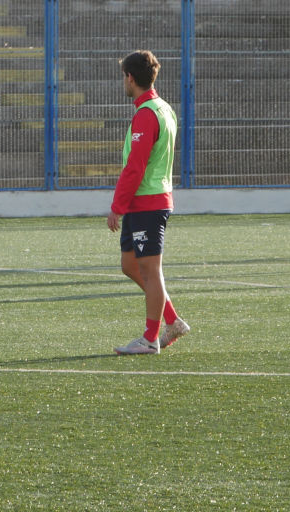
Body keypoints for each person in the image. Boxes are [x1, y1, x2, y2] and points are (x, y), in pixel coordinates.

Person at [108, 50, 188, 355]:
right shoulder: (163, 108)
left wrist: (117, 205)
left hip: (148, 202)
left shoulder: (147, 113)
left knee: (151, 272)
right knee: (130, 265)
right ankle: (172, 320)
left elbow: (136, 166)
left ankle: (150, 338)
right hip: (147, 200)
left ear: (130, 77)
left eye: (123, 77)